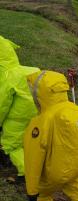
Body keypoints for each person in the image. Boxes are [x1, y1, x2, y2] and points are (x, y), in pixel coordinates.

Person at [24, 70, 78, 201]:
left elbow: (33, 160)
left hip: (54, 173)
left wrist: (31, 194)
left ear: (41, 95)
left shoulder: (41, 122)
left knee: (44, 191)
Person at [0, 35, 39, 180]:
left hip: (17, 117)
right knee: (32, 139)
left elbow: (2, 105)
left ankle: (27, 173)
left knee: (11, 144)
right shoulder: (29, 70)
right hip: (37, 111)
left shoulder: (6, 76)